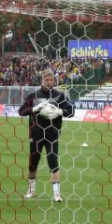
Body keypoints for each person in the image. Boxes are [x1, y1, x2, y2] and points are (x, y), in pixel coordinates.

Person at [18, 70, 74, 202]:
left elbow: (71, 111)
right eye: (46, 80)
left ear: (54, 81)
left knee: (53, 162)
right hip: (36, 135)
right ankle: (31, 191)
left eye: (51, 80)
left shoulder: (60, 96)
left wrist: (60, 111)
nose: (49, 82)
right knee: (33, 164)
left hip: (52, 134)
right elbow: (21, 111)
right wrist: (34, 109)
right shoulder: (33, 95)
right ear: (42, 81)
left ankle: (56, 194)